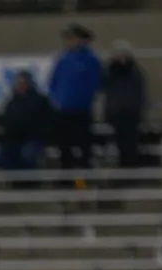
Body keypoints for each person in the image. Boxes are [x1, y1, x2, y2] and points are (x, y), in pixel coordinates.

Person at [49, 24, 102, 176]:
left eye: (72, 38)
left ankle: (84, 180)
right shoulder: (63, 59)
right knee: (64, 147)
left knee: (83, 148)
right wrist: (57, 101)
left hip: (81, 111)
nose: (69, 41)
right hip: (62, 111)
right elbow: (54, 82)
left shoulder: (91, 60)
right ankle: (66, 178)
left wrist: (84, 100)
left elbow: (95, 84)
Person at [103, 40, 147, 169]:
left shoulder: (135, 73)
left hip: (130, 114)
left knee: (130, 145)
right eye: (119, 53)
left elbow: (140, 95)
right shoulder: (109, 73)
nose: (122, 56)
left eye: (124, 53)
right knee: (120, 144)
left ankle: (130, 170)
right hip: (116, 114)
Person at [0, 70, 53, 171]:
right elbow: (6, 121)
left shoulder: (40, 101)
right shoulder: (12, 102)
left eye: (23, 83)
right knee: (4, 154)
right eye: (18, 83)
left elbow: (48, 121)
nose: (20, 86)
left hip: (33, 139)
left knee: (28, 154)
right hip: (14, 140)